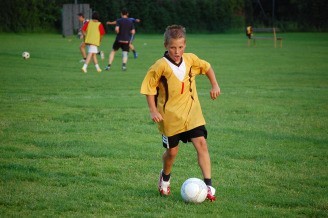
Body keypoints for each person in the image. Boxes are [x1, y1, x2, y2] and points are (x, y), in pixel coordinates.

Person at [140, 25, 221, 201]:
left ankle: (209, 186)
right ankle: (165, 178)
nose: (177, 51)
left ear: (185, 45)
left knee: (201, 143)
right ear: (166, 46)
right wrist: (153, 110)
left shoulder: (191, 59)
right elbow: (149, 88)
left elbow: (207, 67)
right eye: (173, 48)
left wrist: (214, 84)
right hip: (169, 117)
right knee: (172, 153)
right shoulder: (160, 66)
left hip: (193, 113)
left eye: (180, 47)